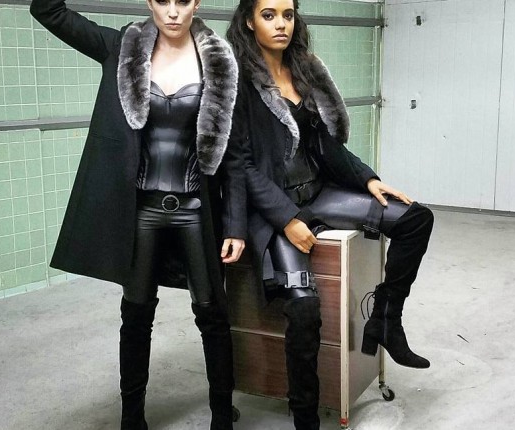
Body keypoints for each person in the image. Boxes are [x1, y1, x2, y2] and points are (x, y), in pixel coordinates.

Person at [30, 0, 246, 429]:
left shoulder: (220, 62)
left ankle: (222, 414)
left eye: (182, 1)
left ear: (196, 3)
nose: (172, 11)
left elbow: (236, 156)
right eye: (163, 0)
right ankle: (132, 418)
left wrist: (236, 225)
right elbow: (49, 11)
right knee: (136, 314)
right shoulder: (121, 47)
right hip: (143, 210)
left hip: (196, 209)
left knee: (213, 314)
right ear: (149, 2)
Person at [226, 0, 434, 428]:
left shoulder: (302, 70)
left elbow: (325, 145)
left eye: (288, 14)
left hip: (319, 194)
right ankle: (305, 417)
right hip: (276, 208)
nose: (281, 24)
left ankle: (385, 321)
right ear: (249, 20)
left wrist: (368, 179)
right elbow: (240, 165)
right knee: (304, 310)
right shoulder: (237, 80)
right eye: (269, 15)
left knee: (415, 219)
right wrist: (287, 219)